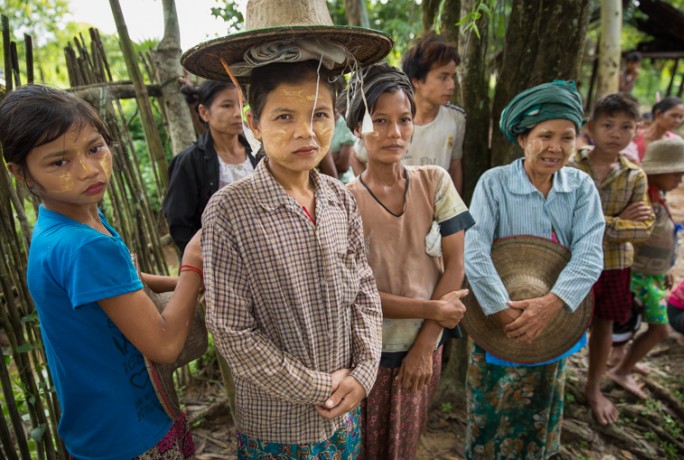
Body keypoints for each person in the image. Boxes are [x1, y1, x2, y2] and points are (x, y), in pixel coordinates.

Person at [182, 0, 391, 456]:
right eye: (283, 117)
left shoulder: (341, 200)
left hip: (346, 411)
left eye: (318, 114)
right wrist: (318, 386)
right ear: (253, 123)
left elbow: (365, 293)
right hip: (278, 425)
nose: (306, 133)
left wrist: (363, 372)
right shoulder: (229, 212)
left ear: (334, 119)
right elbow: (232, 331)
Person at [0, 85, 203, 459]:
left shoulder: (71, 222)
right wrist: (192, 264)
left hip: (102, 427)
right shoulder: (84, 246)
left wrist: (195, 281)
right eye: (59, 162)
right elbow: (165, 344)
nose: (88, 169)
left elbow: (129, 284)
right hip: (132, 437)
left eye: (95, 148)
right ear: (21, 173)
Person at [464, 80, 605, 459]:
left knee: (541, 408)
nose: (555, 147)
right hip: (498, 317)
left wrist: (550, 306)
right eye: (545, 135)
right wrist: (506, 313)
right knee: (490, 415)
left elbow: (590, 252)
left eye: (567, 137)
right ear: (523, 138)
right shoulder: (494, 184)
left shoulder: (581, 188)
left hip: (555, 318)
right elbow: (474, 252)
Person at [344, 63, 474, 459]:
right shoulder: (344, 199)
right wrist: (435, 307)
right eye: (379, 121)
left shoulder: (434, 181)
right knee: (361, 445)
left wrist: (425, 343)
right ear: (356, 129)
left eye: (404, 119)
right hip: (364, 350)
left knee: (402, 444)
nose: (394, 133)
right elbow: (355, 291)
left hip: (423, 342)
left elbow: (455, 263)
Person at [569, 92, 655, 423]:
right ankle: (554, 378)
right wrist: (618, 221)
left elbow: (643, 228)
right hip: (572, 261)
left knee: (604, 326)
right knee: (563, 320)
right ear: (591, 127)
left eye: (626, 126)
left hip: (614, 264)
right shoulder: (572, 165)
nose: (616, 133)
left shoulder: (636, 175)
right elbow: (566, 217)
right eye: (608, 125)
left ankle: (593, 386)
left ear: (636, 131)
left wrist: (595, 221)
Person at [609, 138, 684, 397]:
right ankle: (622, 369)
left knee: (634, 321)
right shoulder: (643, 200)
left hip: (650, 275)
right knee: (659, 329)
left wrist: (664, 270)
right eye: (676, 174)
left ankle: (623, 358)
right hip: (637, 275)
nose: (680, 180)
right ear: (659, 170)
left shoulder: (659, 196)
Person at [350, 34, 467, 194]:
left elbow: (454, 167)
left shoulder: (456, 119)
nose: (451, 85)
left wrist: (453, 210)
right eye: (443, 77)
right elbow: (356, 157)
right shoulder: (381, 118)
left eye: (452, 76)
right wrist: (374, 196)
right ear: (417, 80)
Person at [163, 79, 257, 254]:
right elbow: (179, 223)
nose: (238, 113)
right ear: (204, 113)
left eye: (241, 105)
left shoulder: (259, 153)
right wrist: (205, 261)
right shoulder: (189, 162)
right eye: (227, 106)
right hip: (221, 258)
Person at [633, 96, 684, 161]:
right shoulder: (635, 136)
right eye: (673, 115)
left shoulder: (676, 142)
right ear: (658, 114)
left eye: (680, 117)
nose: (677, 121)